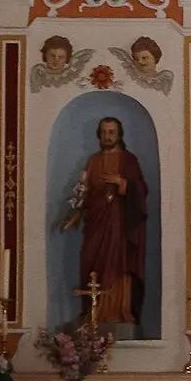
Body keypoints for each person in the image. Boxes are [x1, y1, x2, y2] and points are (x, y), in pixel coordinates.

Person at [62, 115, 148, 327]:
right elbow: (84, 191)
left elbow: (141, 190)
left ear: (119, 135)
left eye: (111, 132)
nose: (107, 136)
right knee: (91, 260)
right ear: (98, 135)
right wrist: (75, 215)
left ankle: (118, 312)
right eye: (104, 132)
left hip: (119, 223)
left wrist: (122, 183)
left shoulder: (129, 160)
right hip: (96, 223)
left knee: (118, 262)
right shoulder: (93, 161)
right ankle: (93, 313)